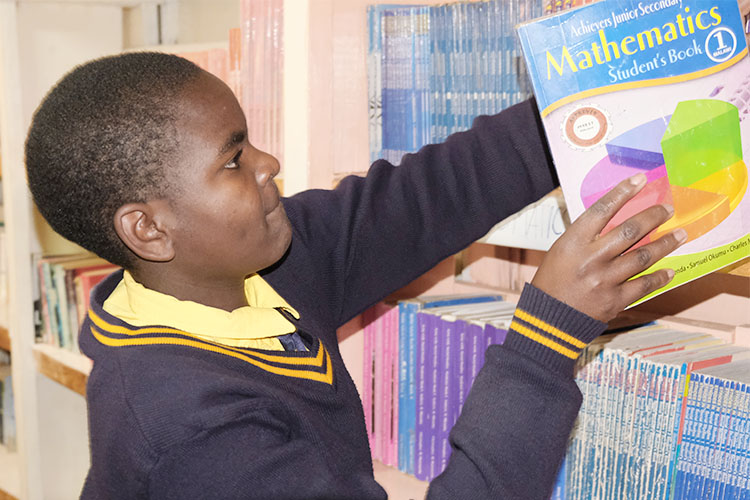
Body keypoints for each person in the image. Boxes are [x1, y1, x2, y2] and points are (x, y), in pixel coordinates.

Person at [25, 52, 685, 499]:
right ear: (149, 229)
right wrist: (548, 335)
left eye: (250, 139)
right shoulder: (194, 429)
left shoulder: (262, 265)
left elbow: (442, 191)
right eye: (232, 161)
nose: (269, 161)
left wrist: (626, 82)